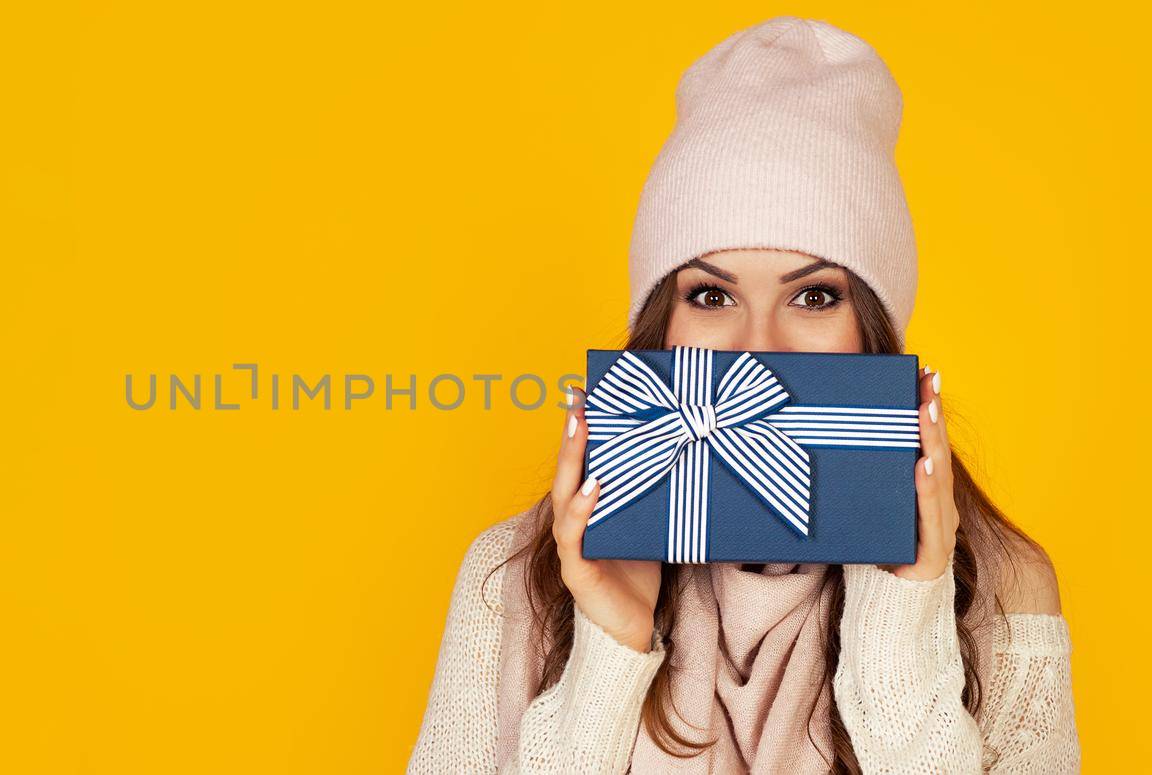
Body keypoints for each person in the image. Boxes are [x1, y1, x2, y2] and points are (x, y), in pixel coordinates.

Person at [406, 16, 1079, 774]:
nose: (760, 346)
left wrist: (898, 632)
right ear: (660, 323)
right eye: (712, 296)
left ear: (875, 329)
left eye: (816, 296)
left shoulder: (1003, 586)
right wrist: (608, 650)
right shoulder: (514, 578)